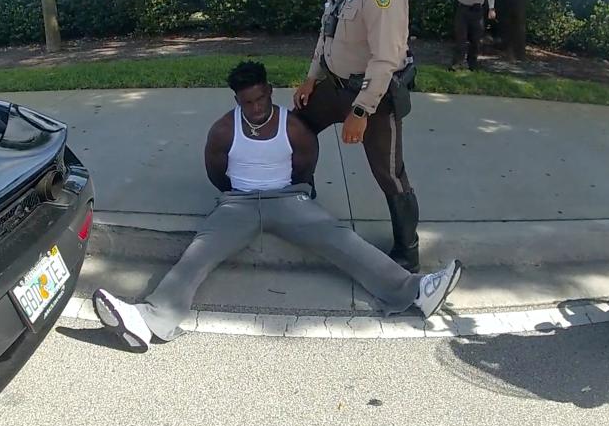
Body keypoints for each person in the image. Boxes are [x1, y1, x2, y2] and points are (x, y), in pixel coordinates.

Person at [91, 61, 462, 352]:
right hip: (237, 203)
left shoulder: (294, 127)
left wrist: (291, 195)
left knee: (341, 239)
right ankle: (148, 319)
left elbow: (305, 167)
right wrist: (238, 195)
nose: (254, 108)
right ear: (237, 101)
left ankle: (415, 291)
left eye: (260, 99)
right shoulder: (222, 130)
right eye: (246, 102)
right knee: (196, 256)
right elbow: (216, 174)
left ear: (269, 91)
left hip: (287, 199)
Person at [292, 0, 423, 273]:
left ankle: (407, 251)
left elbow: (385, 61)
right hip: (334, 85)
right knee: (295, 127)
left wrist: (360, 112)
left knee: (390, 174)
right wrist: (310, 77)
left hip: (375, 98)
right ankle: (301, 199)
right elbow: (326, 34)